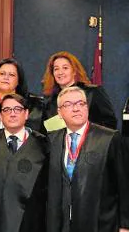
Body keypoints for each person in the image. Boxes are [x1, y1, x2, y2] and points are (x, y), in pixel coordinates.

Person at [46, 86, 129, 232]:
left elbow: (124, 184)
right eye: (69, 105)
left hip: (100, 222)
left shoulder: (109, 138)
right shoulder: (52, 140)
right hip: (63, 223)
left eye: (81, 103)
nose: (76, 108)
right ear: (59, 112)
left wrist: (125, 225)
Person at [0, 94, 48, 232]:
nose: (12, 114)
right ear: (0, 115)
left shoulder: (43, 144)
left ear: (26, 114)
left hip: (31, 222)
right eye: (6, 110)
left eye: (17, 109)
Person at [41, 51, 117, 129]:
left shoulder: (93, 92)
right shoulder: (50, 102)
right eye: (56, 69)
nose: (60, 72)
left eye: (65, 68)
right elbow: (46, 131)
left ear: (74, 71)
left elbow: (109, 123)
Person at [0, 58, 45, 133]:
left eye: (11, 75)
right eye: (2, 74)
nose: (6, 78)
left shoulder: (36, 105)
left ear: (19, 81)